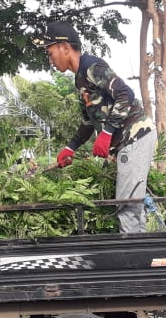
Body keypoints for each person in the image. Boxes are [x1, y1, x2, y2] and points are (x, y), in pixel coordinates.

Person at [39, 20, 157, 234]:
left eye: (50, 52)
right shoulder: (79, 79)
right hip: (127, 142)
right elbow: (87, 121)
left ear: (65, 48)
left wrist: (107, 132)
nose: (50, 60)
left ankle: (134, 262)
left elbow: (125, 95)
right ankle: (143, 253)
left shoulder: (91, 67)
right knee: (132, 206)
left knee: (127, 206)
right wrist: (71, 147)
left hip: (135, 137)